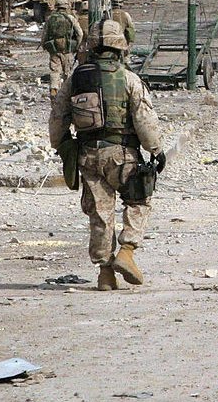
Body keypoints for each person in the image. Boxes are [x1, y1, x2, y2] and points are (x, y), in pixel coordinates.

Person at [48, 19, 164, 291]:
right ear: (120, 47)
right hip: (122, 156)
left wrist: (63, 146)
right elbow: (144, 119)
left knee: (100, 214)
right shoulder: (128, 79)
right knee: (139, 199)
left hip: (88, 155)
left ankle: (105, 273)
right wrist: (156, 150)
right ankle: (127, 251)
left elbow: (57, 118)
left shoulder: (75, 79)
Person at [41, 0, 83, 98]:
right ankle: (66, 92)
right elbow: (80, 34)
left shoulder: (50, 18)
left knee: (55, 70)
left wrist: (44, 45)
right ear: (66, 6)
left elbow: (45, 34)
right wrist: (76, 46)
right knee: (67, 71)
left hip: (54, 48)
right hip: (68, 49)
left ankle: (54, 89)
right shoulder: (71, 18)